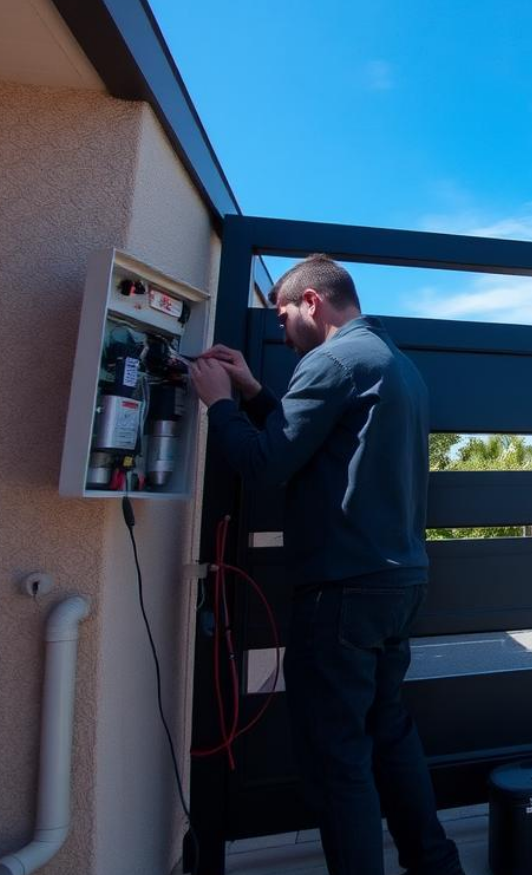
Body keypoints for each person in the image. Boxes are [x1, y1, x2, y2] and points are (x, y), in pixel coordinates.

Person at [190, 254, 462, 875]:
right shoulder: (393, 363)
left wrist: (218, 405)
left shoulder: (332, 362)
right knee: (388, 735)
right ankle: (437, 866)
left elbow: (263, 464)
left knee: (337, 761)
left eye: (282, 315)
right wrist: (256, 394)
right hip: (396, 585)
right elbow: (310, 442)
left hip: (342, 592)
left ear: (312, 302)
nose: (281, 333)